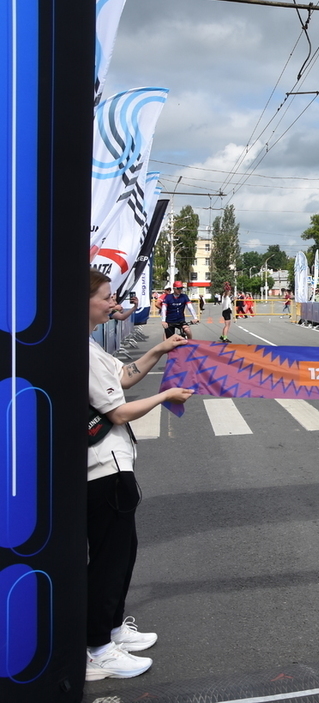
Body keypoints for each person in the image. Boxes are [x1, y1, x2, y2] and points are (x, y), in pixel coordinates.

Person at [87, 269, 194, 681]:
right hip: (100, 470)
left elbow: (123, 376)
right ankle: (96, 650)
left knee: (123, 554)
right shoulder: (78, 350)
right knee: (108, 562)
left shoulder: (89, 345)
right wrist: (165, 394)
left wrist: (161, 349)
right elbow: (118, 411)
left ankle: (112, 630)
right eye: (105, 297)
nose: (114, 304)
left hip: (113, 464)